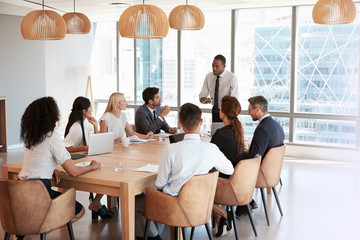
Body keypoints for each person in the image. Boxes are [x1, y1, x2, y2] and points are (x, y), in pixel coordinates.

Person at [135, 103, 234, 239]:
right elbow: (229, 169)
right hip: (202, 204)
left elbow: (160, 184)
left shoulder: (172, 150)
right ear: (201, 122)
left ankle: (154, 236)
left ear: (180, 124)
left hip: (175, 207)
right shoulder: (211, 149)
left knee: (136, 203)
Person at [18, 97, 101, 226]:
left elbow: (36, 163)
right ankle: (37, 233)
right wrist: (92, 167)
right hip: (40, 193)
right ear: (51, 116)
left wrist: (52, 170)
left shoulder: (32, 137)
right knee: (79, 211)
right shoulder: (53, 137)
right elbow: (73, 171)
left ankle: (33, 231)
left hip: (19, 191)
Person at [235, 95, 285, 218]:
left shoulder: (263, 128)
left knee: (234, 165)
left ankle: (243, 203)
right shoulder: (276, 125)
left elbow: (254, 156)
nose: (249, 113)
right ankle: (247, 202)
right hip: (271, 173)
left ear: (257, 109)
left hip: (260, 174)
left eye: (250, 110)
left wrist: (240, 154)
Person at [63, 96, 112, 219]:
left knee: (107, 169)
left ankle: (96, 203)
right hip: (76, 161)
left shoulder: (85, 123)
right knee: (106, 173)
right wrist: (83, 148)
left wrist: (96, 126)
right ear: (84, 111)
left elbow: (94, 142)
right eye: (90, 108)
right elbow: (64, 148)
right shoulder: (76, 127)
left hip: (83, 159)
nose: (92, 110)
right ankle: (96, 203)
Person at [210, 95, 246, 236]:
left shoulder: (220, 134)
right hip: (236, 180)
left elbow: (209, 157)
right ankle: (221, 221)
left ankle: (223, 214)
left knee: (192, 185)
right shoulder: (239, 132)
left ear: (222, 113)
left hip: (224, 183)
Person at [199, 54, 240, 122]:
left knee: (226, 131)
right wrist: (204, 100)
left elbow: (234, 101)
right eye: (213, 66)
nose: (214, 68)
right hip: (215, 110)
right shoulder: (209, 76)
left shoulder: (232, 78)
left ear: (224, 66)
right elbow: (202, 96)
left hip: (227, 111)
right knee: (215, 131)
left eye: (217, 66)